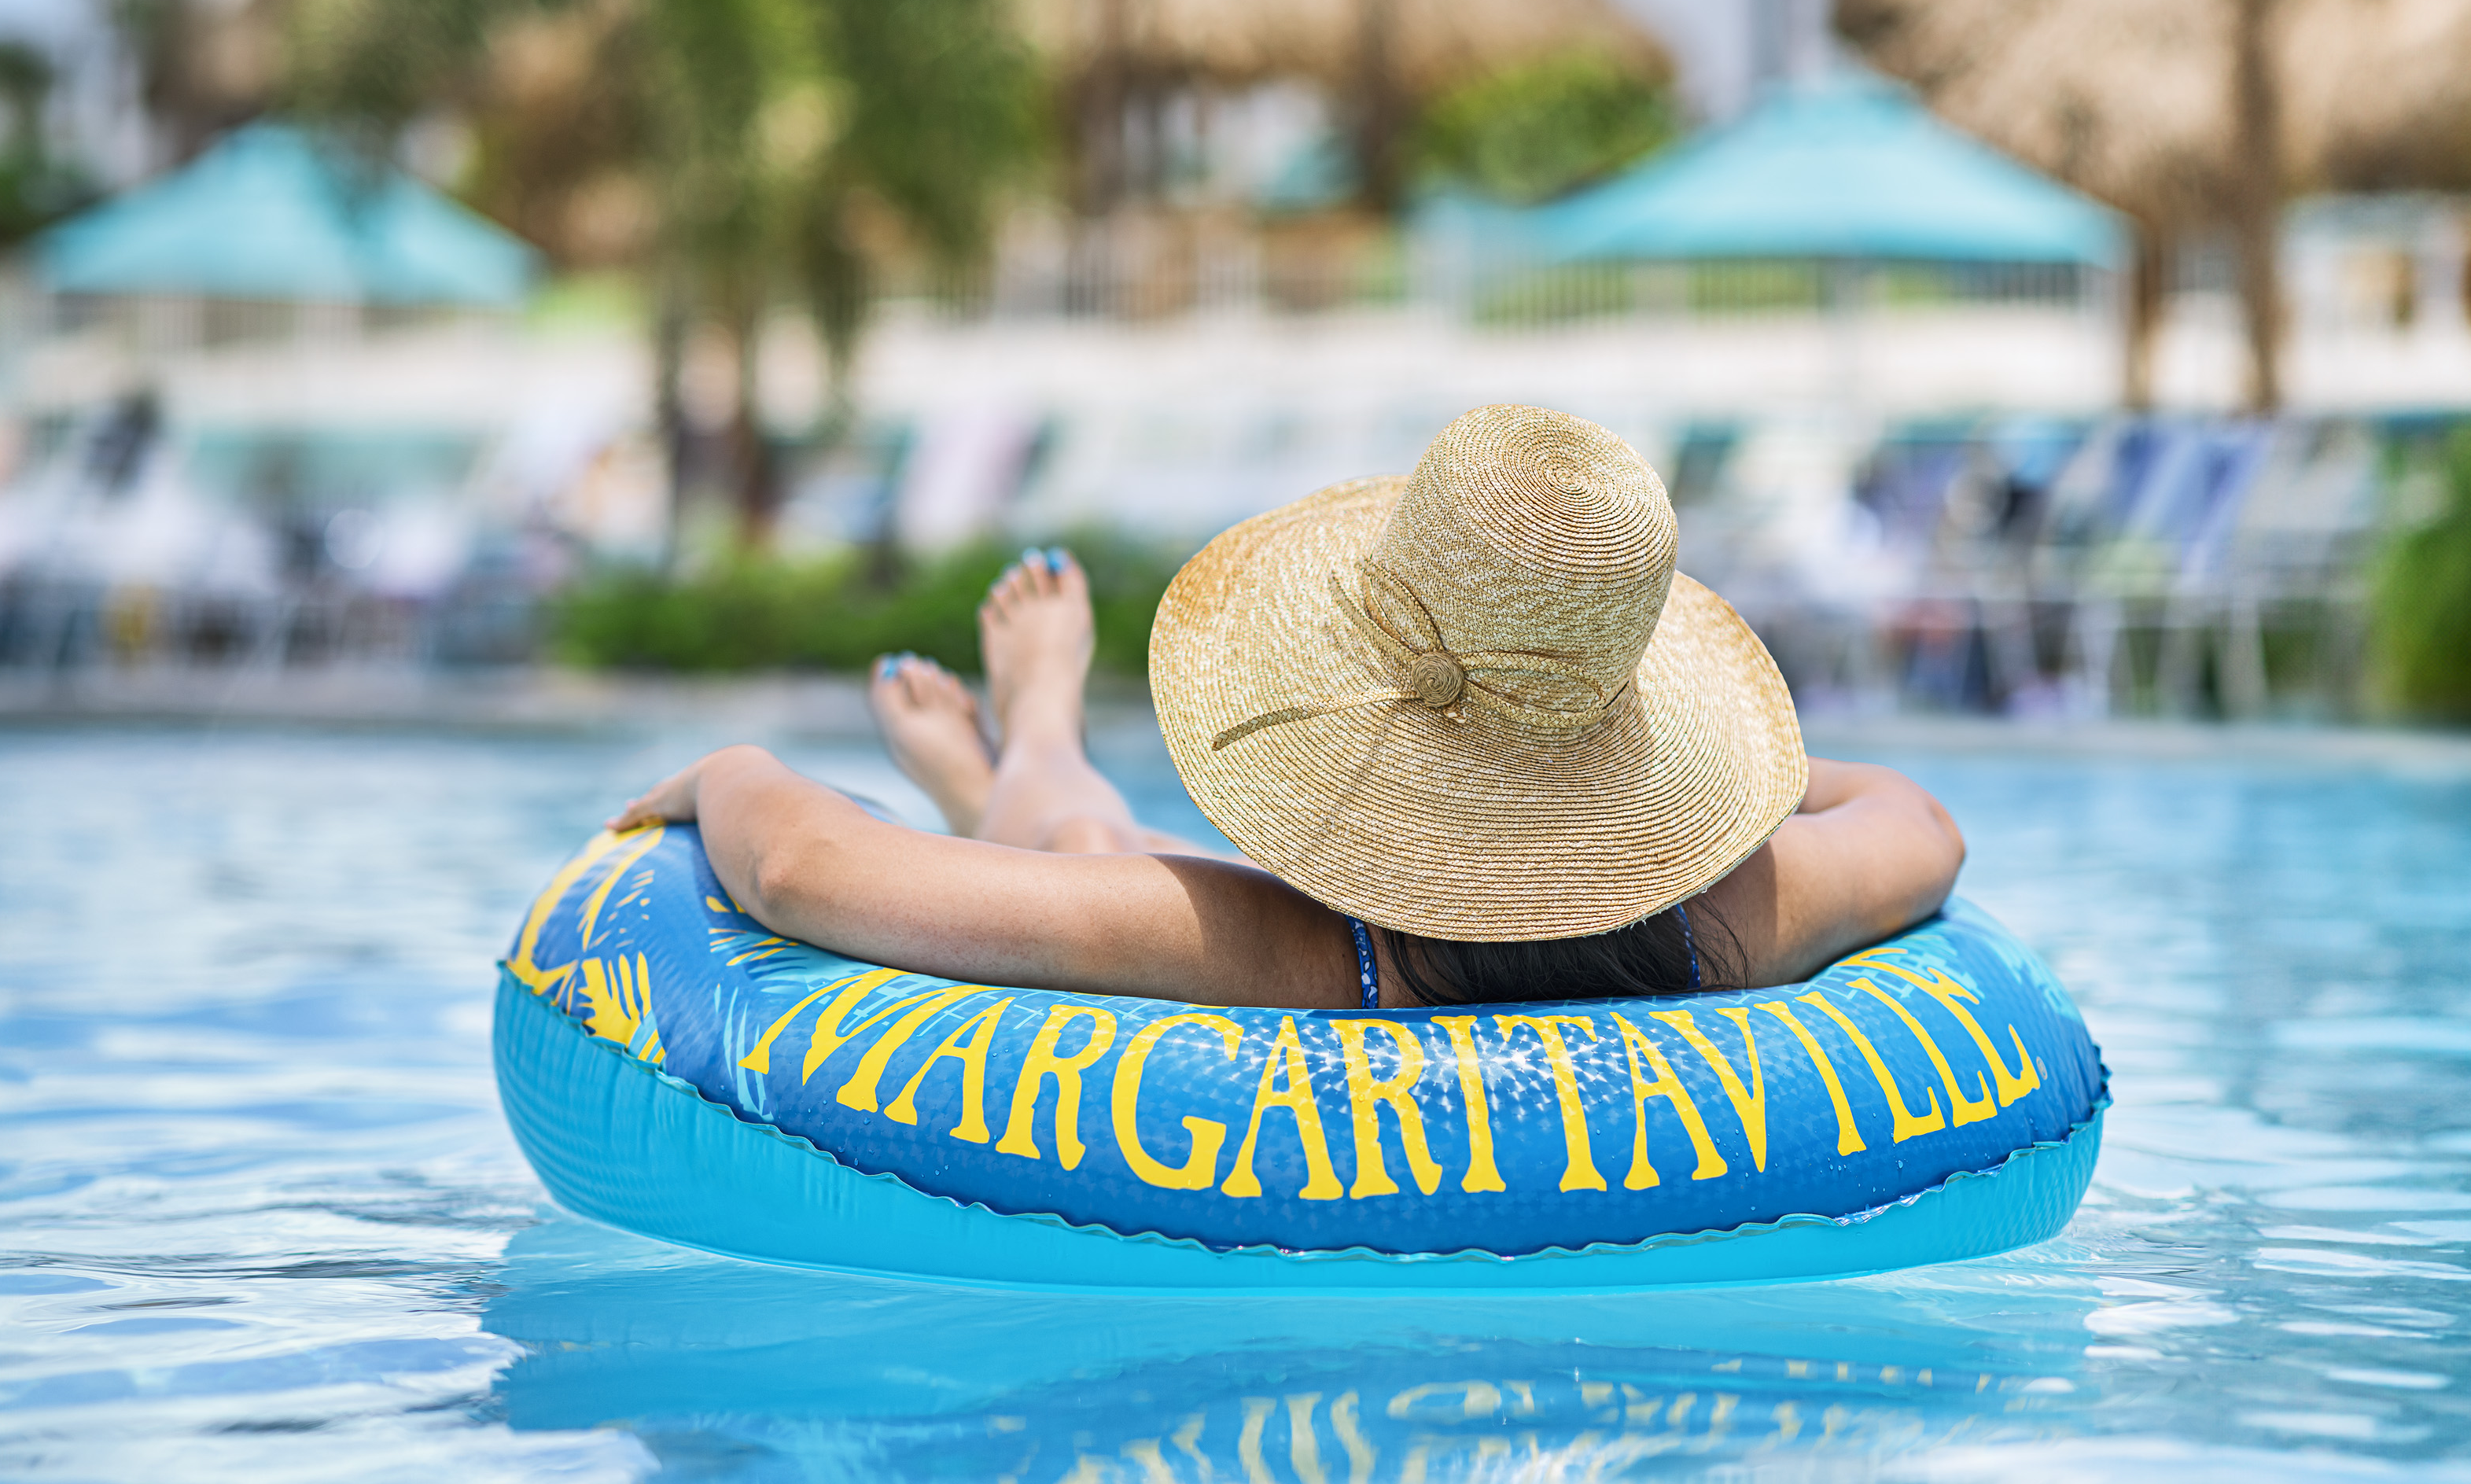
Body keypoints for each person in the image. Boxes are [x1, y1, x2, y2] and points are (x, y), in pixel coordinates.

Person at [614, 406, 1963, 1010]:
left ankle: (1031, 752)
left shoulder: (1276, 948)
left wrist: (723, 769)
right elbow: (1919, 822)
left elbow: (801, 866)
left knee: (1096, 858)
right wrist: (1695, 780)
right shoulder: (1741, 918)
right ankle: (1023, 758)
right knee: (1097, 860)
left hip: (1231, 929)